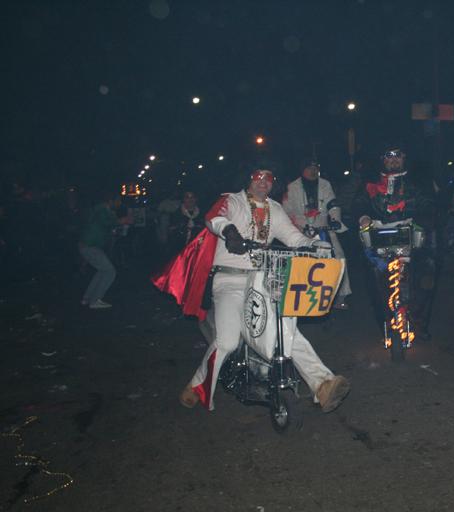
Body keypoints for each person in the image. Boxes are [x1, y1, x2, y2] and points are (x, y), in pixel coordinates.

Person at [179, 166, 350, 413]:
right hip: (229, 280)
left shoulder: (274, 209)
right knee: (226, 342)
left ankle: (323, 384)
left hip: (262, 278)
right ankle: (196, 386)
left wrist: (316, 245)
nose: (263, 181)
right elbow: (214, 218)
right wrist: (229, 231)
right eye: (258, 176)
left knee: (284, 331)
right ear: (248, 178)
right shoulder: (233, 200)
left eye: (269, 177)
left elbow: (293, 237)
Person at [352, 142, 437, 340]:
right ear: (383, 159)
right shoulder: (370, 183)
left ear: (404, 157)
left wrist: (421, 222)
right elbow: (358, 203)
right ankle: (386, 323)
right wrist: (363, 217)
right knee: (373, 272)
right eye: (389, 155)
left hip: (412, 237)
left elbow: (428, 205)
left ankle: (418, 321)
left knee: (429, 266)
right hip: (380, 238)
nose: (394, 159)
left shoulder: (418, 181)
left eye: (398, 154)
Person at [282, 159, 351, 309]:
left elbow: (333, 204)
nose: (313, 171)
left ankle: (340, 295)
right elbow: (286, 210)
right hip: (300, 231)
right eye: (309, 168)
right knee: (295, 262)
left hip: (323, 228)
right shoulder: (292, 187)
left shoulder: (325, 184)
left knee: (339, 257)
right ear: (303, 170)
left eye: (315, 168)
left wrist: (335, 220)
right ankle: (296, 295)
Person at [78, 192, 134, 309]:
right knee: (110, 272)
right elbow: (106, 222)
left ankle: (87, 298)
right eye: (118, 201)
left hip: (92, 247)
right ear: (110, 201)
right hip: (89, 246)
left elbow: (109, 224)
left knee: (102, 271)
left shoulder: (106, 211)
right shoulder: (100, 208)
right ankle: (95, 300)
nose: (119, 203)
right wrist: (122, 220)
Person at [167, 191, 204, 256]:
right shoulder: (176, 214)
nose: (190, 199)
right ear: (184, 199)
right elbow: (171, 235)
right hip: (180, 249)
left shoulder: (202, 214)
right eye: (188, 197)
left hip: (198, 248)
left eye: (193, 197)